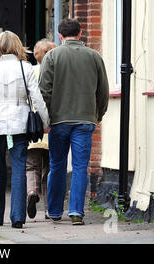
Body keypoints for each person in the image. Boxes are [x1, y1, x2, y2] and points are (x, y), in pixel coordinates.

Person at [39, 19, 109, 225]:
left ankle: (54, 210)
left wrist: (45, 118)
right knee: (80, 167)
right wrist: (98, 114)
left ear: (60, 36)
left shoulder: (52, 56)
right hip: (85, 119)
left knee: (57, 165)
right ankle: (76, 212)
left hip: (59, 121)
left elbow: (44, 91)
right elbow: (103, 91)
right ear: (80, 34)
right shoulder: (94, 57)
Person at [0, 31, 49, 229]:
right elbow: (36, 98)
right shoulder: (25, 67)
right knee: (19, 167)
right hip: (19, 122)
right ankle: (18, 217)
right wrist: (45, 121)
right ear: (18, 46)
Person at [25, 39, 57, 220]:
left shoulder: (30, 72)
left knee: (31, 166)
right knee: (50, 169)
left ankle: (31, 191)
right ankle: (48, 209)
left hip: (33, 126)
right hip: (50, 125)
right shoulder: (55, 73)